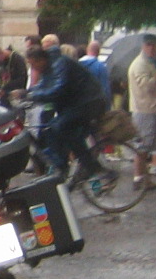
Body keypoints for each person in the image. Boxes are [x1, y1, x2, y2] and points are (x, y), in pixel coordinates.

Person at [24, 46, 113, 188]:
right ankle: (66, 165)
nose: (33, 68)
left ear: (41, 60)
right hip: (77, 103)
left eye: (34, 64)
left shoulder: (60, 64)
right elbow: (44, 85)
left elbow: (59, 88)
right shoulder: (48, 67)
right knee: (51, 129)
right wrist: (26, 93)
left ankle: (90, 167)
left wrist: (33, 96)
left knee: (60, 127)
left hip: (89, 102)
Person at [127, 34, 156, 188]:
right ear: (142, 46)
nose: (151, 48)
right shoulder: (140, 65)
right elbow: (147, 87)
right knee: (143, 146)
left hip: (153, 109)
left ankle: (145, 178)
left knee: (150, 145)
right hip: (144, 111)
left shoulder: (151, 62)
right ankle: (138, 178)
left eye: (153, 45)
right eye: (148, 45)